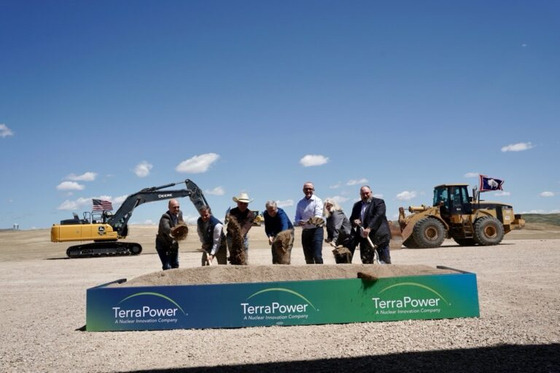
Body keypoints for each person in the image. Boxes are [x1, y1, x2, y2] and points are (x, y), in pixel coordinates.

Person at [349, 185, 392, 264]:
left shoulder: (379, 202)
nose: (365, 195)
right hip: (364, 239)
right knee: (366, 262)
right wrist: (354, 221)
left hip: (380, 238)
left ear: (371, 192)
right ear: (360, 195)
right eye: (363, 194)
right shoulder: (357, 205)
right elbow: (352, 219)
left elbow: (378, 216)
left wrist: (369, 228)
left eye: (367, 193)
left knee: (384, 262)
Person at [295, 182, 324, 264]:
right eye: (306, 189)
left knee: (317, 255)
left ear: (313, 190)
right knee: (308, 257)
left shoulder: (318, 201)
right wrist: (299, 222)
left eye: (310, 189)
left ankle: (321, 274)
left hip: (316, 230)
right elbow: (297, 217)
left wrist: (307, 222)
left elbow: (318, 216)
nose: (308, 190)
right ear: (303, 190)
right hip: (306, 231)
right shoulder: (300, 203)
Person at [227, 192, 256, 263]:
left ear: (248, 204)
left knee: (243, 255)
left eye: (245, 203)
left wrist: (240, 235)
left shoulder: (251, 214)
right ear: (237, 203)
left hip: (243, 237)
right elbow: (231, 226)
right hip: (231, 237)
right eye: (241, 203)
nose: (243, 205)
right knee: (233, 254)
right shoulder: (232, 212)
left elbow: (246, 227)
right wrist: (235, 235)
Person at [155, 199, 184, 270]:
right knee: (167, 267)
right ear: (169, 207)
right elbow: (166, 229)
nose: (176, 209)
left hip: (173, 245)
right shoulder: (165, 217)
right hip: (163, 245)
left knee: (175, 265)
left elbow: (181, 223)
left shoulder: (180, 213)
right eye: (174, 207)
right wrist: (174, 231)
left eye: (178, 207)